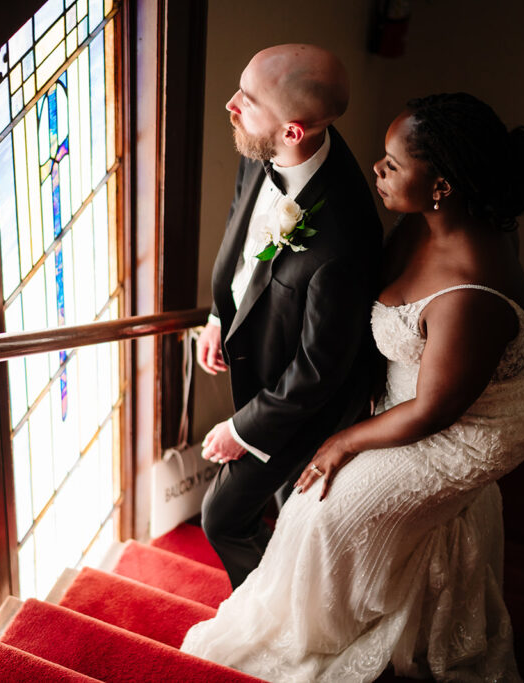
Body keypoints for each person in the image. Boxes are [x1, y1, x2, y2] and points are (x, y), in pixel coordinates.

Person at [181, 93, 524, 682]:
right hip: (426, 388)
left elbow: (433, 411)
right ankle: (410, 611)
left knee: (318, 514)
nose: (376, 169)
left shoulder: (471, 299)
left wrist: (344, 441)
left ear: (442, 185)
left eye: (393, 163)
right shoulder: (421, 219)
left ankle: (309, 638)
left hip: (471, 424)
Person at [196, 44, 383, 588]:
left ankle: (270, 610)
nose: (231, 105)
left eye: (247, 100)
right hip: (259, 359)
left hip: (303, 405)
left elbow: (320, 370)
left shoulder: (344, 239)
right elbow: (242, 220)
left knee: (223, 516)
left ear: (294, 131)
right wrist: (217, 314)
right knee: (280, 506)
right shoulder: (261, 143)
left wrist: (240, 429)